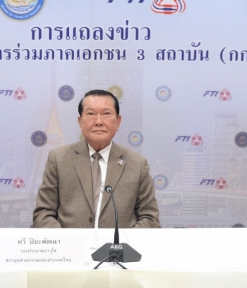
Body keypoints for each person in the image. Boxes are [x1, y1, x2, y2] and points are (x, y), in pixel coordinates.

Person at [33, 89, 160, 229]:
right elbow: (43, 213)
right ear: (80, 122)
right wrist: (67, 240)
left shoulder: (137, 164)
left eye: (106, 114)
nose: (99, 122)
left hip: (119, 243)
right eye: (91, 114)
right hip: (71, 242)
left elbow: (150, 218)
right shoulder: (59, 159)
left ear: (118, 121)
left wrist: (123, 241)